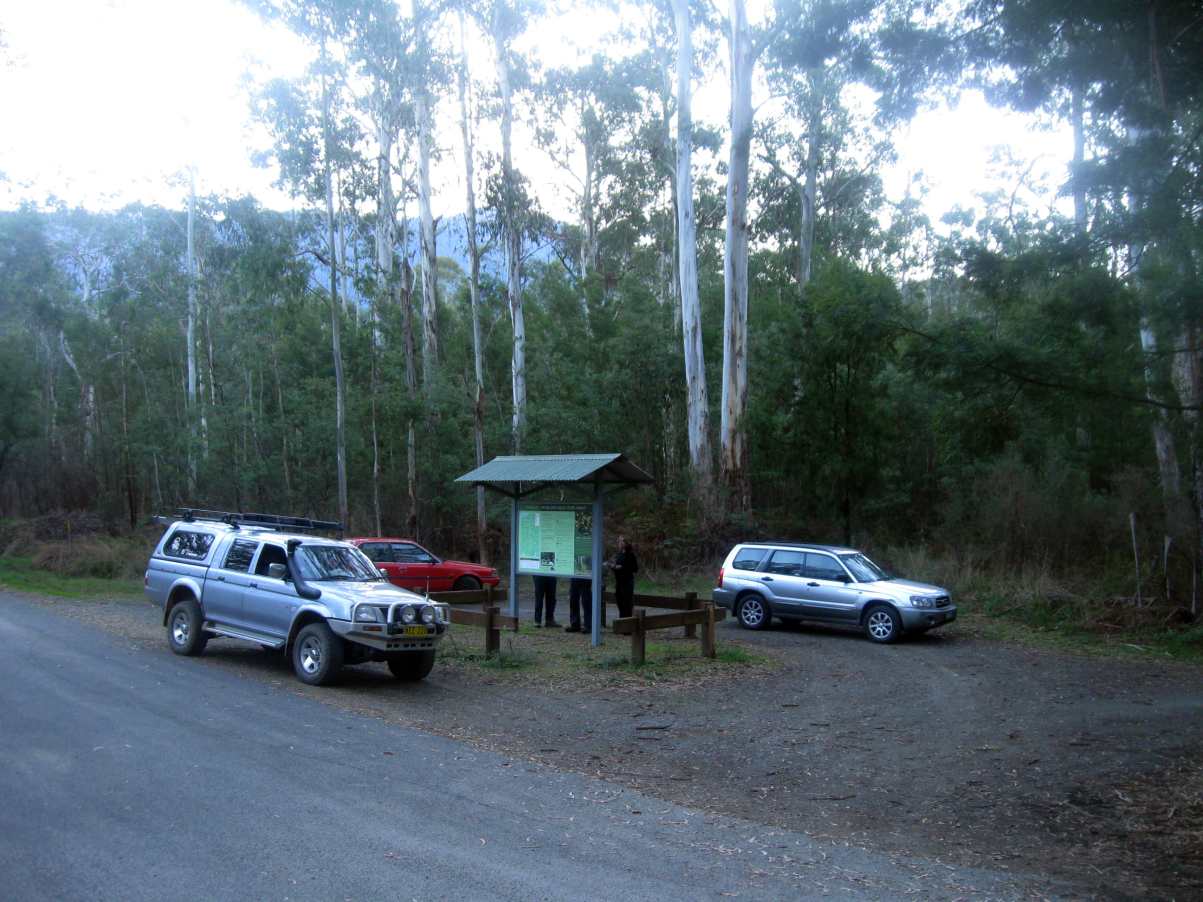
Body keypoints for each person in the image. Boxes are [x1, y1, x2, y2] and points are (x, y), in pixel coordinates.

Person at [607, 535, 639, 619]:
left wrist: (622, 567)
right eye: (618, 541)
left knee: (627, 603)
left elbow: (635, 568)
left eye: (621, 541)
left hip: (627, 582)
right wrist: (612, 566)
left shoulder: (630, 555)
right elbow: (616, 566)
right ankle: (622, 623)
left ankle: (627, 626)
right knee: (619, 601)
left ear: (625, 543)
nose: (619, 543)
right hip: (619, 582)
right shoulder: (619, 554)